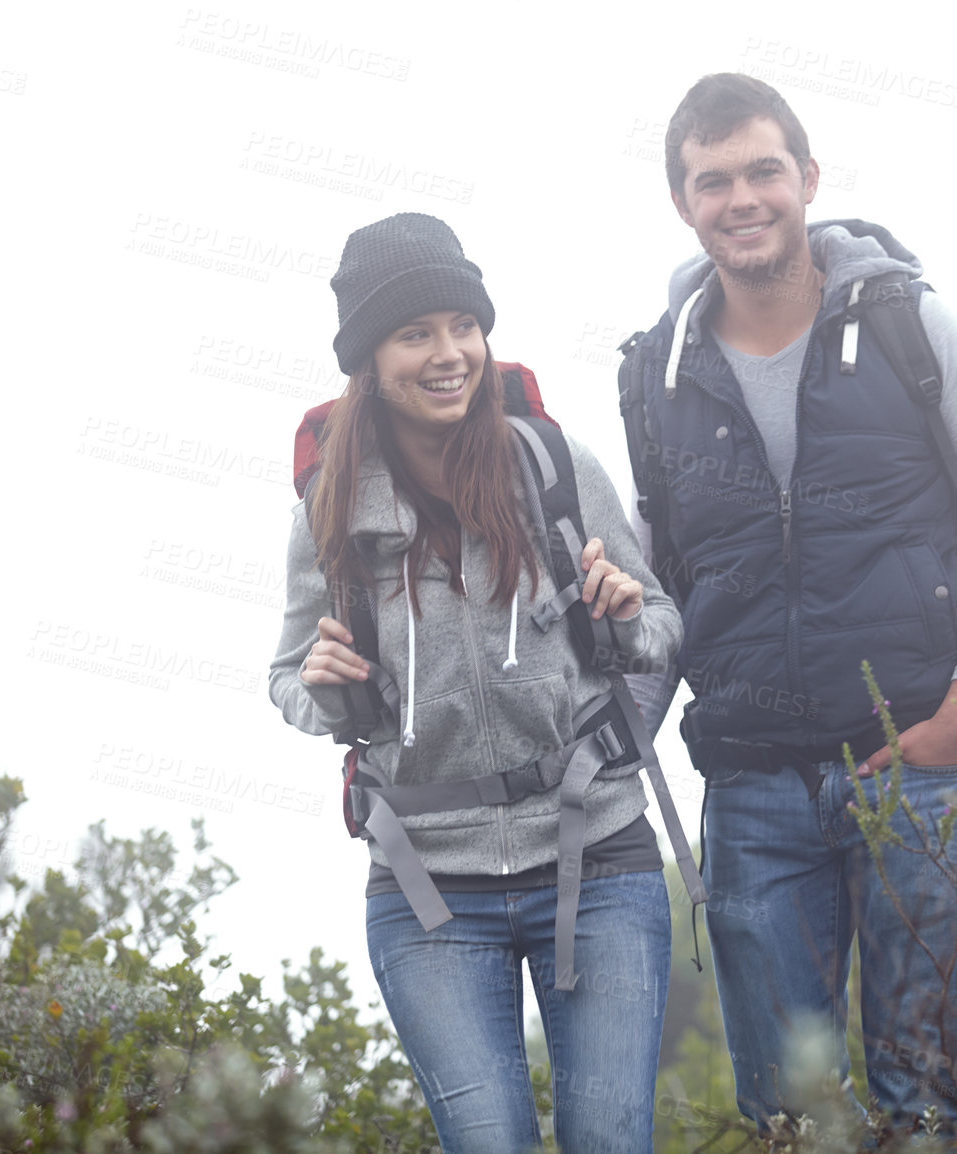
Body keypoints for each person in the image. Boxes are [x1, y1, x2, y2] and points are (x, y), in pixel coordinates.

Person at [618, 75, 957, 1139]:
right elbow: (662, 597)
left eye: (763, 170)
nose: (742, 197)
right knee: (791, 1120)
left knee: (928, 1108)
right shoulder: (654, 378)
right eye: (711, 179)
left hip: (915, 774)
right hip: (752, 795)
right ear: (684, 202)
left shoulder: (910, 324)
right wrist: (610, 768)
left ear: (807, 179)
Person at [268, 213, 684, 1152]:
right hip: (425, 888)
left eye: (463, 325)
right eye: (415, 333)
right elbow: (291, 679)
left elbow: (661, 621)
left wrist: (625, 617)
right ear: (369, 360)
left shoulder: (553, 466)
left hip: (597, 857)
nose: (448, 354)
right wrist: (328, 686)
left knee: (610, 1142)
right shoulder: (330, 513)